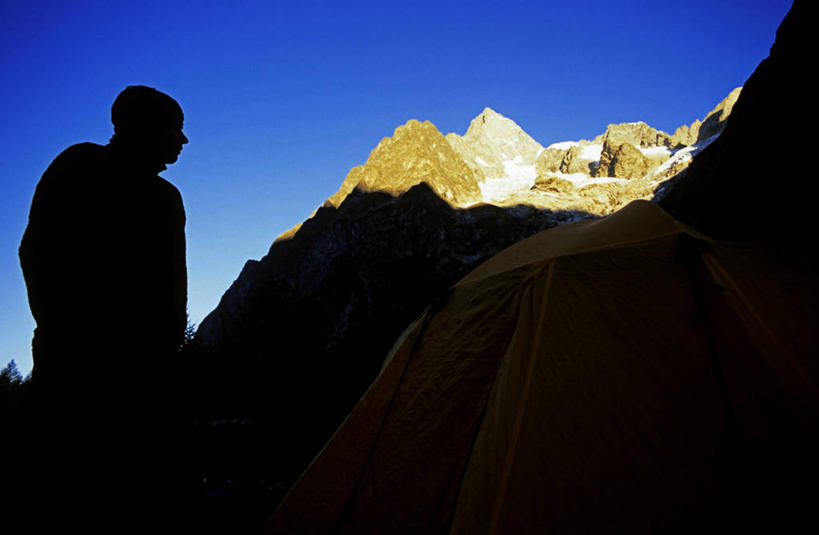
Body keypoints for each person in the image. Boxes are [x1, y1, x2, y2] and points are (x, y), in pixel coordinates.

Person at [17, 85, 189, 532]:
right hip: (87, 370)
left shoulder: (162, 196)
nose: (183, 140)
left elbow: (171, 284)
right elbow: (37, 253)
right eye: (176, 129)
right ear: (147, 128)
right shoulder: (86, 168)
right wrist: (67, 330)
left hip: (123, 370)